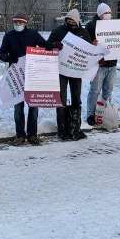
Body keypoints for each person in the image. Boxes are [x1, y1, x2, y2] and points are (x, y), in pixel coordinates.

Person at [0, 13, 46, 144]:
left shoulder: (33, 34)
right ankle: (20, 135)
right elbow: (2, 53)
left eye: (20, 22)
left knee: (33, 105)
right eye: (16, 22)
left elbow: (44, 45)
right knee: (18, 107)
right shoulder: (9, 36)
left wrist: (54, 46)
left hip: (32, 73)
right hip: (16, 76)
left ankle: (32, 134)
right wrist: (9, 58)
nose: (18, 24)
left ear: (25, 23)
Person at [46, 9, 91, 141]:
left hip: (76, 71)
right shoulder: (58, 31)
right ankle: (62, 130)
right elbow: (47, 45)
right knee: (61, 100)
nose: (70, 22)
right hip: (61, 71)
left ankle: (75, 128)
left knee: (77, 98)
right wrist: (54, 44)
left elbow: (89, 50)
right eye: (68, 20)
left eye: (73, 21)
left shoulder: (83, 32)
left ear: (77, 21)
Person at [85, 3, 117, 126]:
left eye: (109, 13)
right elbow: (86, 43)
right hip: (98, 65)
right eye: (105, 13)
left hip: (112, 63)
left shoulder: (114, 25)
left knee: (108, 91)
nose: (108, 15)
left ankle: (104, 113)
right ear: (99, 14)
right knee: (95, 90)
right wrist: (91, 43)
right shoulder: (91, 26)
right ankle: (91, 115)